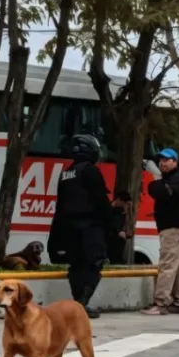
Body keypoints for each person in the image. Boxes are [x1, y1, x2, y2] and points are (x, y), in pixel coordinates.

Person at [51, 134, 112, 319]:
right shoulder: (90, 171)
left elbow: (60, 206)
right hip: (90, 227)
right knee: (94, 264)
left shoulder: (66, 173)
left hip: (68, 228)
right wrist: (112, 226)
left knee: (76, 266)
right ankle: (81, 303)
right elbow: (101, 201)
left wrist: (55, 235)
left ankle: (79, 303)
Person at [141, 148, 179, 316]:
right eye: (161, 160)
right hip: (173, 228)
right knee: (174, 267)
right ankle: (177, 302)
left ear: (175, 162)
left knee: (167, 265)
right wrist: (157, 183)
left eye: (167, 160)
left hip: (173, 228)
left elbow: (158, 191)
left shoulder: (177, 179)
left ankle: (161, 303)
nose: (162, 163)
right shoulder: (168, 179)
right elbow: (155, 189)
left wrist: (156, 182)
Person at [107, 190, 133, 265]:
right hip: (110, 237)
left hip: (116, 237)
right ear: (118, 200)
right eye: (123, 203)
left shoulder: (120, 210)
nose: (124, 205)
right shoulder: (109, 209)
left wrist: (128, 211)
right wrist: (118, 232)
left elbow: (128, 225)